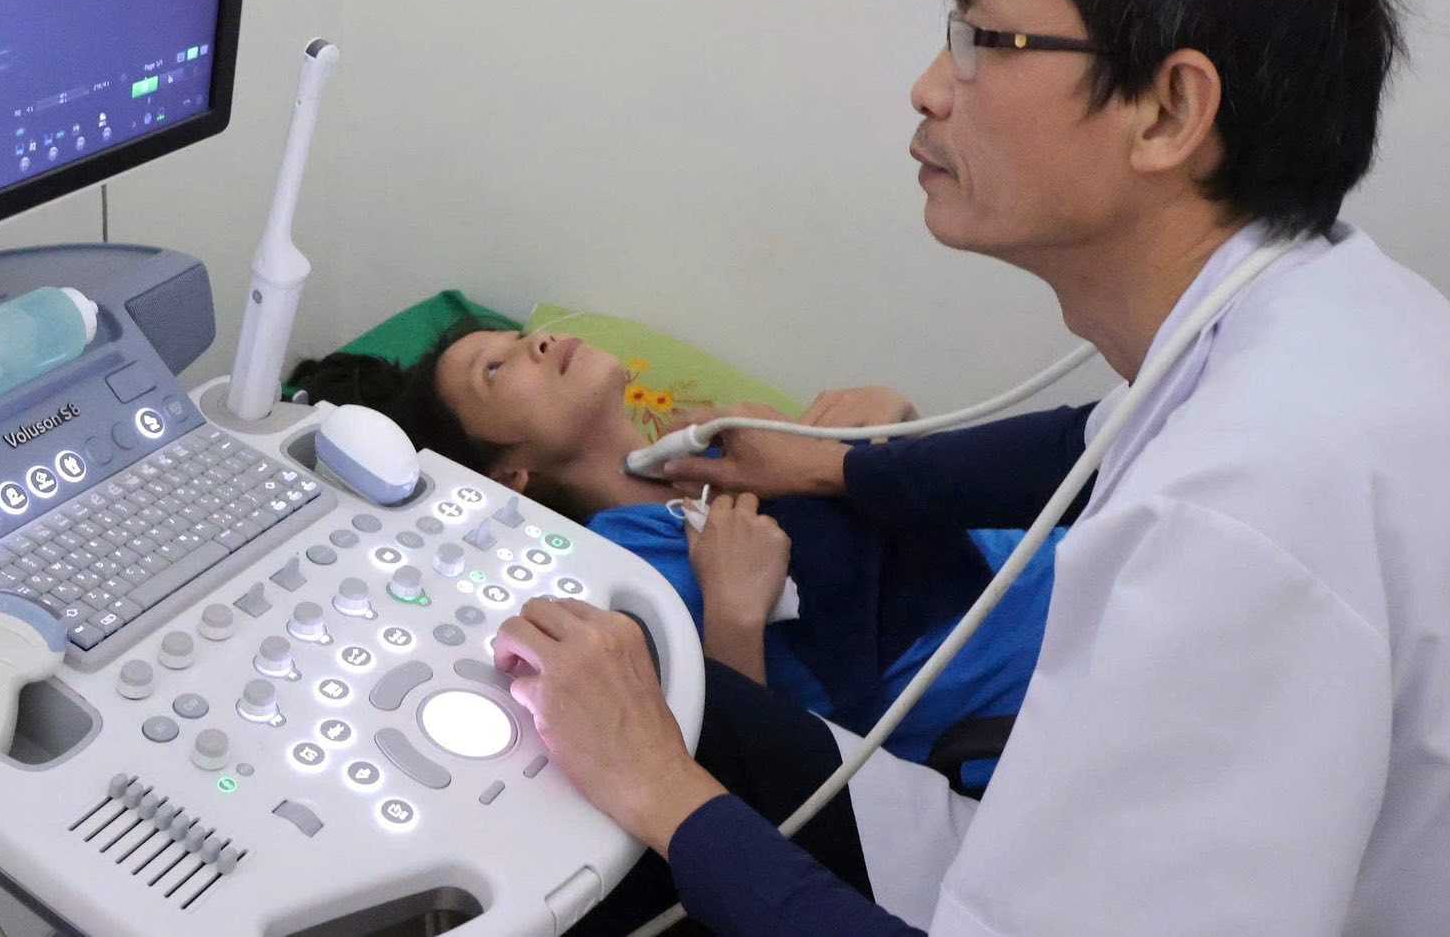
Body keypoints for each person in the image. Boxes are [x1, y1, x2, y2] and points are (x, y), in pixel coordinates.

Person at [485, 0, 1450, 934]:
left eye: (983, 39)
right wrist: (833, 469)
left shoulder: (1248, 510)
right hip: (1043, 852)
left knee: (663, 763)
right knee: (704, 709)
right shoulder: (1328, 316)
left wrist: (659, 791)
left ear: (1167, 109)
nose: (929, 86)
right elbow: (1082, 439)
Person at [294, 331, 1084, 782]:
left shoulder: (729, 442)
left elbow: (925, 505)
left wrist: (888, 431)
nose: (534, 340)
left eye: (517, 339)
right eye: (497, 370)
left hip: (1074, 555)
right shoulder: (612, 573)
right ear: (508, 474)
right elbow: (729, 785)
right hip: (1050, 684)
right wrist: (735, 614)